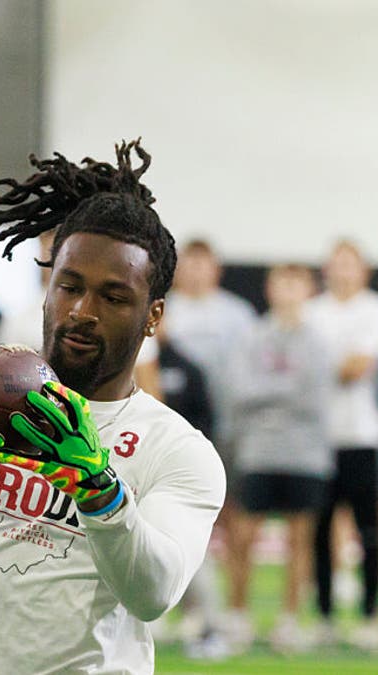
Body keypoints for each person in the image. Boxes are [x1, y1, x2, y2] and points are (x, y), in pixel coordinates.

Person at [0, 140, 225, 674]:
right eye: (69, 287)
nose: (83, 312)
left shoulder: (178, 451)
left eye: (113, 298)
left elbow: (152, 594)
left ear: (153, 315)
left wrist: (100, 492)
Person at [224, 264, 332, 653]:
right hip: (257, 451)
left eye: (296, 283)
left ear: (308, 289)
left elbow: (315, 398)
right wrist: (283, 392)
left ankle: (289, 621)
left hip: (306, 455)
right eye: (281, 283)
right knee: (243, 536)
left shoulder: (319, 342)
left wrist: (267, 394)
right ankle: (237, 616)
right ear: (270, 289)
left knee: (300, 540)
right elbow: (239, 390)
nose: (288, 291)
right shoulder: (251, 336)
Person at [303, 241, 378, 650]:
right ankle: (324, 617)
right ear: (327, 269)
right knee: (320, 532)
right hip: (317, 440)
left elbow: (357, 367)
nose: (343, 272)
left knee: (370, 530)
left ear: (364, 270)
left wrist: (328, 367)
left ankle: (370, 616)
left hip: (365, 437)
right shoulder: (312, 312)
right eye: (336, 265)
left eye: (351, 265)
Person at [162, 238, 255, 651]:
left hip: (226, 432)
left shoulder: (237, 314)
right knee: (175, 521)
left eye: (205, 264)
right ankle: (183, 612)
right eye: (190, 264)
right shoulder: (164, 310)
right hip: (172, 433)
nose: (197, 271)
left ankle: (235, 610)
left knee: (232, 523)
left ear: (216, 268)